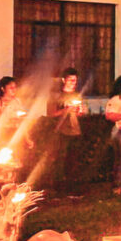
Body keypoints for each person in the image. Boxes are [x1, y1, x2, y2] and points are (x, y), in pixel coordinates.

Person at [47, 68, 86, 196]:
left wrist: (81, 111)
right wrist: (66, 110)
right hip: (61, 131)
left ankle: (72, 188)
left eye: (75, 80)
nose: (73, 82)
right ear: (64, 80)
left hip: (75, 131)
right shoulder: (56, 96)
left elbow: (82, 112)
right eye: (70, 80)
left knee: (73, 161)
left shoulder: (76, 95)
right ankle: (57, 190)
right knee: (60, 160)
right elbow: (51, 113)